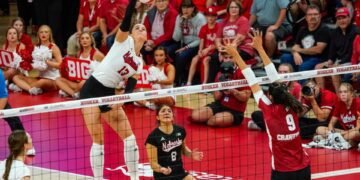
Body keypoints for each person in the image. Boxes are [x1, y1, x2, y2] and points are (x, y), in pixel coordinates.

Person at [226, 29, 310, 180]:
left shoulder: (268, 109)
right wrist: (260, 48)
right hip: (303, 167)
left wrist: (234, 54)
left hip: (283, 171)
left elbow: (251, 78)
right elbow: (274, 77)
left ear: (269, 96)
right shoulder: (292, 103)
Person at [79, 0, 147, 178]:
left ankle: (134, 177)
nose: (140, 30)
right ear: (131, 32)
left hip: (110, 93)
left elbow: (129, 89)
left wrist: (122, 101)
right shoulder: (124, 41)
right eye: (137, 28)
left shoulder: (139, 64)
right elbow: (126, 19)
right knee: (98, 139)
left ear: (147, 38)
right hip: (91, 90)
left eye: (144, 29)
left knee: (130, 138)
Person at [145, 104, 204, 180]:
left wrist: (191, 154)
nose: (166, 113)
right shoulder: (153, 137)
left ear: (173, 116)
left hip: (180, 173)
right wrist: (162, 169)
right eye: (163, 111)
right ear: (157, 117)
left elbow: (183, 149)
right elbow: (153, 163)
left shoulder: (180, 130)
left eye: (169, 111)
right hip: (163, 176)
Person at [190, 60, 251, 127]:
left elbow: (245, 97)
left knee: (215, 121)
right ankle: (212, 117)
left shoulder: (242, 73)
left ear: (234, 58)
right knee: (195, 116)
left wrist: (233, 91)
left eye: (230, 57)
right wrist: (221, 87)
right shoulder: (220, 73)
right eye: (225, 57)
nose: (227, 60)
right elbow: (216, 97)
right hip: (219, 105)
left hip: (235, 110)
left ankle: (214, 119)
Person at [314, 7, 358, 92]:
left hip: (352, 62)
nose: (342, 21)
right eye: (339, 18)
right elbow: (332, 53)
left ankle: (339, 96)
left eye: (344, 17)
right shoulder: (334, 32)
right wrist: (330, 61)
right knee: (317, 67)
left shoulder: (355, 31)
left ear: (349, 17)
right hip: (340, 62)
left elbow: (352, 54)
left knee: (335, 71)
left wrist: (338, 64)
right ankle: (323, 95)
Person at [248, 63, 302, 131]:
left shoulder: (297, 87)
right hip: (275, 116)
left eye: (285, 72)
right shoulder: (274, 86)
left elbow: (299, 109)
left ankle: (265, 127)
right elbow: (268, 104)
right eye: (280, 72)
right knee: (256, 114)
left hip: (290, 116)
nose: (282, 74)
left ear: (291, 73)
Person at [11, 25, 62, 95]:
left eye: (46, 32)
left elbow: (61, 65)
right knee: (16, 77)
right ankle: (31, 89)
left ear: (49, 34)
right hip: (40, 77)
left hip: (53, 79)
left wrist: (48, 62)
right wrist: (26, 64)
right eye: (41, 32)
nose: (43, 34)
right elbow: (34, 64)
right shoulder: (36, 46)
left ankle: (22, 87)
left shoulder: (53, 47)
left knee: (42, 82)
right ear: (38, 34)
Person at [280, 5, 330, 76]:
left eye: (315, 14)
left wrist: (299, 50)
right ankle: (287, 83)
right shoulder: (302, 30)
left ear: (320, 16)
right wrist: (295, 53)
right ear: (306, 18)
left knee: (304, 66)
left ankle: (301, 86)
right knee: (285, 57)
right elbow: (294, 47)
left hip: (318, 59)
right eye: (310, 15)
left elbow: (318, 50)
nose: (312, 17)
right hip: (303, 57)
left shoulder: (324, 29)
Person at [56, 32, 104, 99]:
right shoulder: (79, 53)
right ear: (80, 42)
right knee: (58, 80)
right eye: (82, 38)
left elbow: (106, 68)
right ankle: (74, 94)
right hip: (78, 83)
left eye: (87, 38)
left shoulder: (97, 54)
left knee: (84, 82)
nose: (84, 40)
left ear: (91, 41)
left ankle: (69, 92)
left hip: (91, 83)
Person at [172, 0, 207, 86]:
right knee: (168, 51)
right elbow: (176, 38)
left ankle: (175, 81)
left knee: (181, 55)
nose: (185, 10)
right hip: (183, 43)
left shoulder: (200, 18)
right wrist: (181, 23)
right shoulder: (179, 17)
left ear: (193, 8)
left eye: (188, 7)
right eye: (184, 7)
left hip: (197, 44)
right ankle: (174, 77)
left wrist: (186, 47)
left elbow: (201, 38)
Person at [186, 7, 218, 85]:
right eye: (208, 16)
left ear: (216, 17)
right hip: (205, 51)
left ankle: (205, 84)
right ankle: (188, 82)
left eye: (212, 16)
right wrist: (200, 50)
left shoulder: (218, 26)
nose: (210, 18)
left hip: (214, 52)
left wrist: (207, 49)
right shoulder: (204, 27)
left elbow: (218, 44)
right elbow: (202, 41)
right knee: (194, 59)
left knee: (205, 60)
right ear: (206, 17)